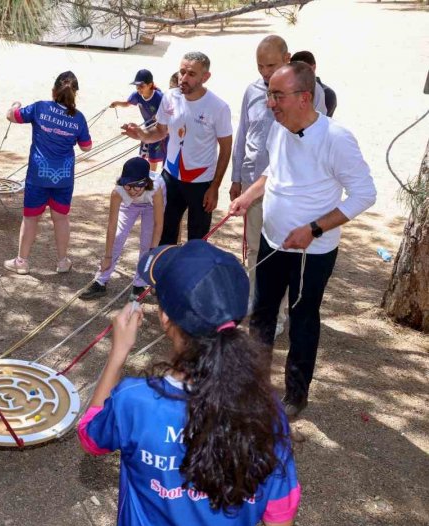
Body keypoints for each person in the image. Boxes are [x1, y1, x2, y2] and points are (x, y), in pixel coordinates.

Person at [78, 239, 299, 526]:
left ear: (166, 319)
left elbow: (90, 437)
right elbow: (279, 521)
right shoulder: (266, 411)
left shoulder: (137, 400)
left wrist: (117, 355)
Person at [229, 63, 376, 417]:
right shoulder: (279, 128)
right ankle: (254, 385)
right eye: (269, 95)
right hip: (272, 238)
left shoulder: (336, 138)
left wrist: (314, 228)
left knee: (302, 317)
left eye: (277, 96)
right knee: (262, 311)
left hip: (312, 250)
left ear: (304, 97)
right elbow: (272, 171)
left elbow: (364, 194)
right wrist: (249, 195)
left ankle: (296, 394)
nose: (270, 104)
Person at [231, 35, 327, 315]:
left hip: (288, 185)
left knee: (283, 248)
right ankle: (254, 300)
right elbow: (242, 134)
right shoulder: (251, 91)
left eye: (270, 64)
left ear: (287, 59)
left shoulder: (310, 92)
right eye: (260, 66)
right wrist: (236, 177)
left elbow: (314, 137)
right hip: (252, 179)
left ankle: (281, 311)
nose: (264, 72)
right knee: (254, 246)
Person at [122, 52, 232, 245]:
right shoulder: (170, 97)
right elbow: (161, 131)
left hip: (201, 181)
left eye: (191, 74)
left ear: (205, 77)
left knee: (197, 239)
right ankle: (165, 272)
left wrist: (214, 187)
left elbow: (225, 148)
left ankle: (192, 274)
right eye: (182, 72)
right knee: (165, 232)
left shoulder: (218, 107)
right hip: (170, 177)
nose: (184, 78)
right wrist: (141, 134)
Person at [3, 71, 92, 275]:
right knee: (61, 219)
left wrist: (15, 106)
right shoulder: (78, 118)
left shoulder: (40, 107)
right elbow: (86, 146)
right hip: (63, 177)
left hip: (37, 176)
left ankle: (22, 261)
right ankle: (62, 261)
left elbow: (12, 116)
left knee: (30, 218)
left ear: (53, 91)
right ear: (75, 94)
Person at [80, 157, 164, 300]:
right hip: (130, 205)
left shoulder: (156, 188)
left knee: (146, 242)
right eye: (128, 186)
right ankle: (101, 281)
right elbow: (112, 226)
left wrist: (152, 253)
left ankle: (139, 284)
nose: (132, 190)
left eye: (137, 186)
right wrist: (107, 256)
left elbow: (158, 224)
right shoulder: (119, 192)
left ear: (145, 183)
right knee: (118, 237)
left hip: (150, 205)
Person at [110, 69, 167, 170]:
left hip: (158, 131)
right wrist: (117, 103)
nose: (139, 89)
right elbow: (127, 103)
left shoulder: (159, 97)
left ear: (150, 85)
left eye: (142, 86)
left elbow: (167, 114)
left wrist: (158, 116)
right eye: (137, 86)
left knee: (154, 157)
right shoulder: (137, 95)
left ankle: (152, 177)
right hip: (146, 130)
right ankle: (147, 176)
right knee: (145, 156)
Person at [291, 50, 337, 117]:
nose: (299, 74)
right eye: (295, 71)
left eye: (302, 70)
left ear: (313, 67)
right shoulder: (289, 90)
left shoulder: (327, 93)